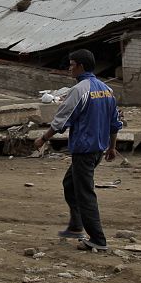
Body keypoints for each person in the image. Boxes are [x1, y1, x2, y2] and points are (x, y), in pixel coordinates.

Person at [33, 49, 122, 252]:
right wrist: (112, 147)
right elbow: (114, 123)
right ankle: (76, 225)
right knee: (70, 183)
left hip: (84, 150)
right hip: (97, 149)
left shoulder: (80, 90)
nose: (69, 68)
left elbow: (61, 120)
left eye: (72, 64)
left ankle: (98, 239)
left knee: (85, 193)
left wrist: (43, 139)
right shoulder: (107, 90)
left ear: (81, 66)